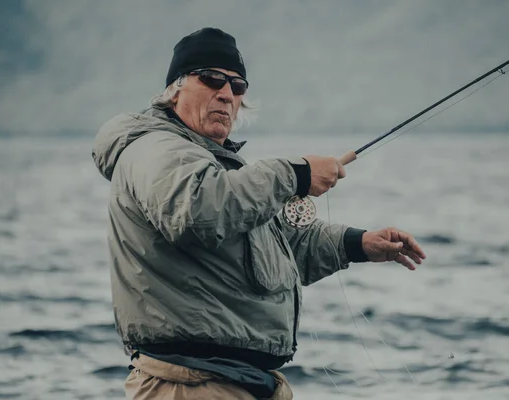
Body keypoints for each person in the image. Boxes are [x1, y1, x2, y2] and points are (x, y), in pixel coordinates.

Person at [92, 27, 426, 400]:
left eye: (237, 86)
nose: (226, 93)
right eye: (212, 79)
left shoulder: (217, 170)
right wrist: (294, 173)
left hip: (238, 383)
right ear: (175, 89)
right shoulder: (155, 148)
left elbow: (277, 249)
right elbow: (199, 213)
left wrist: (359, 244)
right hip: (187, 384)